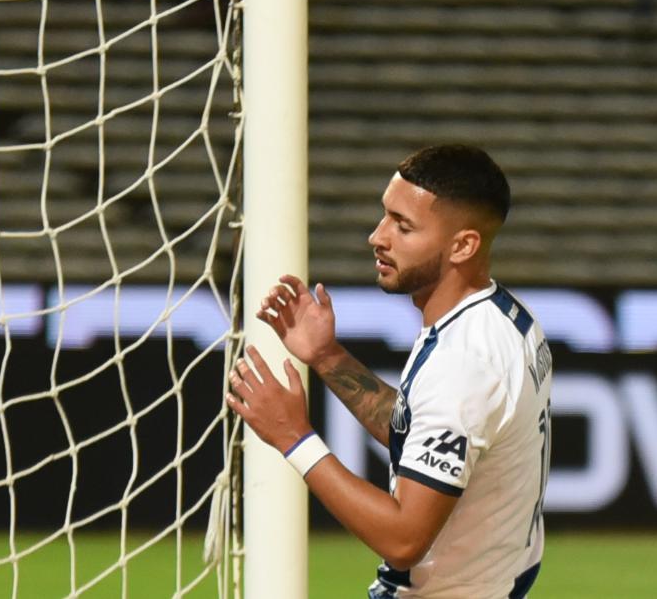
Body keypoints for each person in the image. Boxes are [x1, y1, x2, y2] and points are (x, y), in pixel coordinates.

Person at [226, 144, 553, 598]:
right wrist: (326, 357)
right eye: (385, 216)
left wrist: (294, 438)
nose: (377, 237)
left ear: (463, 245)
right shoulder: (504, 317)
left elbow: (404, 540)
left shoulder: (464, 365)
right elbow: (420, 430)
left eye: (403, 226)